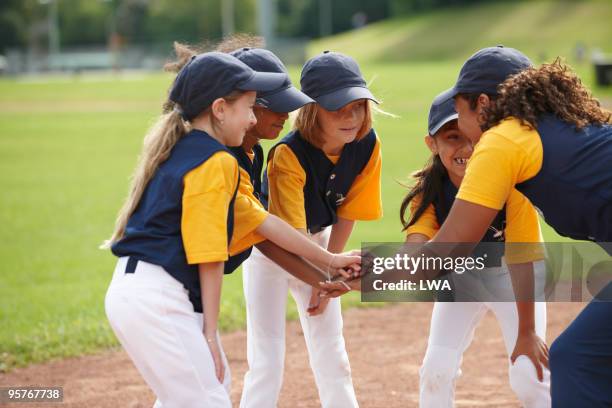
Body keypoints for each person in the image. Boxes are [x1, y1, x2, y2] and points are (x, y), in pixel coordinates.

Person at [103, 51, 360, 407]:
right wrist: (210, 331)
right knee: (208, 398)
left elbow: (262, 225)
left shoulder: (196, 150)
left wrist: (327, 264)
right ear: (220, 109)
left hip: (149, 293)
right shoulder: (216, 161)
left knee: (199, 394)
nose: (255, 117)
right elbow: (209, 252)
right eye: (250, 107)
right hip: (158, 297)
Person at [416, 46, 612, 407]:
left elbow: (453, 244)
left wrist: (367, 272)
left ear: (484, 104)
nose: (460, 126)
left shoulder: (502, 140)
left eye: (460, 111)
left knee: (577, 360)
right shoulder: (564, 126)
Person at [240, 51, 383, 408]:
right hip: (271, 251)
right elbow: (291, 234)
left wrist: (330, 269)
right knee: (267, 357)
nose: (351, 116)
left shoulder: (367, 145)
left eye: (358, 105)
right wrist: (323, 272)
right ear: (311, 109)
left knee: (332, 349)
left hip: (319, 245)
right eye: (337, 107)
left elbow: (348, 209)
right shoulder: (288, 154)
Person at [402, 90, 550, 407]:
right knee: (435, 371)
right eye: (451, 137)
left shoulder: (512, 183)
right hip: (462, 280)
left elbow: (524, 256)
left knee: (529, 375)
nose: (466, 147)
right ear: (432, 144)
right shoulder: (429, 192)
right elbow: (418, 244)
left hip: (515, 279)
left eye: (472, 135)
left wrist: (527, 331)